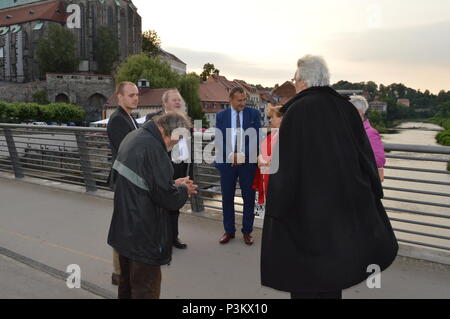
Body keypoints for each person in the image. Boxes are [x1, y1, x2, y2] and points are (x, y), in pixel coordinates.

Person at [260, 55, 398, 299]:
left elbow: (286, 169)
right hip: (341, 211)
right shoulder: (345, 108)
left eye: (295, 79)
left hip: (307, 215)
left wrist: (276, 210)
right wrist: (372, 195)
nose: (294, 83)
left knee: (306, 282)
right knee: (333, 277)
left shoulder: (297, 112)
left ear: (303, 81)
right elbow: (365, 157)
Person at [107, 112, 198, 299]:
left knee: (126, 285)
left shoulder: (134, 136)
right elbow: (168, 200)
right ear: (166, 131)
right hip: (144, 234)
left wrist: (172, 184)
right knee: (145, 288)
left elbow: (147, 182)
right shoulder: (155, 149)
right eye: (176, 140)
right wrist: (182, 191)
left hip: (124, 226)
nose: (174, 145)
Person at [214, 87, 261, 245]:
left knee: (248, 198)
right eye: (239, 100)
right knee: (227, 197)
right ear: (231, 100)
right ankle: (229, 231)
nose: (243, 103)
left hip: (247, 164)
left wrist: (242, 155)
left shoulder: (254, 114)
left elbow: (256, 137)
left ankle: (247, 231)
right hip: (227, 164)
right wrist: (231, 155)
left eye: (244, 100)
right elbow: (219, 138)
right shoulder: (221, 115)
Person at [146, 89, 191, 249]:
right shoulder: (153, 119)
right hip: (163, 167)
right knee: (160, 204)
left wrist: (189, 171)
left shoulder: (184, 119)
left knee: (175, 204)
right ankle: (159, 238)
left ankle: (173, 237)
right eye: (174, 100)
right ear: (165, 103)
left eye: (179, 100)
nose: (178, 102)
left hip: (180, 167)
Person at [106, 81, 140, 286]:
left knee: (128, 224)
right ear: (119, 96)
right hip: (124, 180)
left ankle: (124, 269)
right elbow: (126, 153)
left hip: (129, 179)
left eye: (137, 95)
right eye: (131, 95)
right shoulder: (118, 120)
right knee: (122, 225)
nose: (135, 98)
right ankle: (119, 272)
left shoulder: (130, 117)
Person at [252, 104, 283, 216]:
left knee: (277, 215)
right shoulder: (272, 134)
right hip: (265, 178)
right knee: (268, 215)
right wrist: (259, 158)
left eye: (272, 117)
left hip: (277, 181)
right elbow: (260, 151)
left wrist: (268, 162)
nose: (269, 120)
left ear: (282, 118)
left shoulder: (288, 135)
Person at [350, 95, 386, 182]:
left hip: (362, 181)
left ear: (359, 112)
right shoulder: (350, 130)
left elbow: (380, 160)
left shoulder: (370, 133)